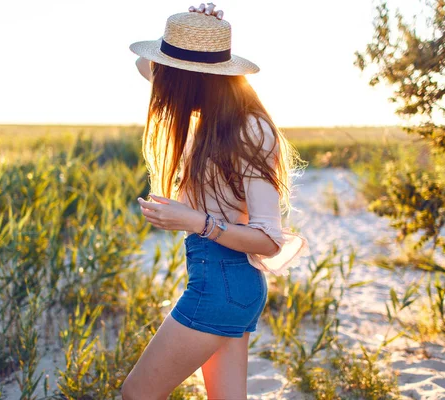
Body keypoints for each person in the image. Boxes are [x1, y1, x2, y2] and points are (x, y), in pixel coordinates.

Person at [122, 3, 310, 399]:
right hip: (223, 283)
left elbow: (269, 239)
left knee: (136, 394)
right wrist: (193, 34)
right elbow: (148, 67)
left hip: (224, 283)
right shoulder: (208, 118)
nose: (162, 89)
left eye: (171, 77)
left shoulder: (250, 129)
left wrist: (195, 221)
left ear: (190, 80)